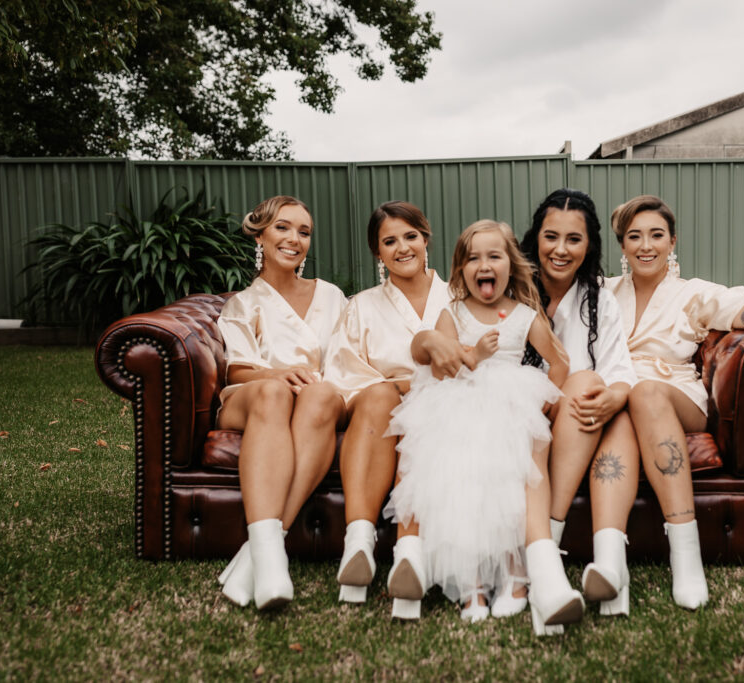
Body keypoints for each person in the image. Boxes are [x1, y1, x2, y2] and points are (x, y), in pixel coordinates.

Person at [604, 194, 744, 610]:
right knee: (626, 402)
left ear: (672, 241)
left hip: (674, 395)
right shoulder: (604, 292)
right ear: (622, 247)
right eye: (634, 236)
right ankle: (610, 562)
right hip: (620, 395)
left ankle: (686, 555)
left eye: (656, 235)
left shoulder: (692, 294)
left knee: (643, 391)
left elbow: (742, 310)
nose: (646, 245)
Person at [385, 220, 569, 626]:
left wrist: (543, 405)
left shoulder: (524, 316)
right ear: (461, 270)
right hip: (460, 404)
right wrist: (474, 355)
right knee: (463, 490)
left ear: (510, 265)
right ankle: (470, 586)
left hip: (510, 406)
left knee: (505, 488)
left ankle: (516, 580)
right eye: (473, 258)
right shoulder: (452, 314)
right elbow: (437, 370)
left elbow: (560, 362)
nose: (484, 265)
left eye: (494, 256)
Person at [214, 195, 348, 610]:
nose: (295, 239)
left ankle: (263, 552)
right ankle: (272, 557)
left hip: (315, 400)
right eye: (283, 227)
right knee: (274, 392)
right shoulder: (243, 304)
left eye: (304, 231)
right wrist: (278, 375)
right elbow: (238, 372)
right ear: (261, 235)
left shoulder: (332, 296)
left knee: (322, 392)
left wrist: (307, 385)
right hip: (253, 396)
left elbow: (342, 365)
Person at [516, 188, 641, 620]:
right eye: (551, 237)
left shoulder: (599, 297)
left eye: (574, 239)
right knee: (586, 381)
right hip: (521, 422)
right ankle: (562, 551)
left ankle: (603, 563)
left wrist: (614, 396)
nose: (561, 250)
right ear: (535, 238)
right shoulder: (509, 290)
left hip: (578, 422)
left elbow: (619, 368)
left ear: (589, 245)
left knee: (610, 403)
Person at [323, 200, 451, 611]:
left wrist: (421, 386)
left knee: (428, 401)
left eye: (410, 236)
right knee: (379, 395)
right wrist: (395, 387)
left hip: (444, 407)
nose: (402, 248)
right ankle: (358, 542)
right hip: (381, 409)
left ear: (426, 238)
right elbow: (342, 373)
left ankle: (409, 551)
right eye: (389, 241)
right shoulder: (361, 306)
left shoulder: (460, 297)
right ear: (377, 253)